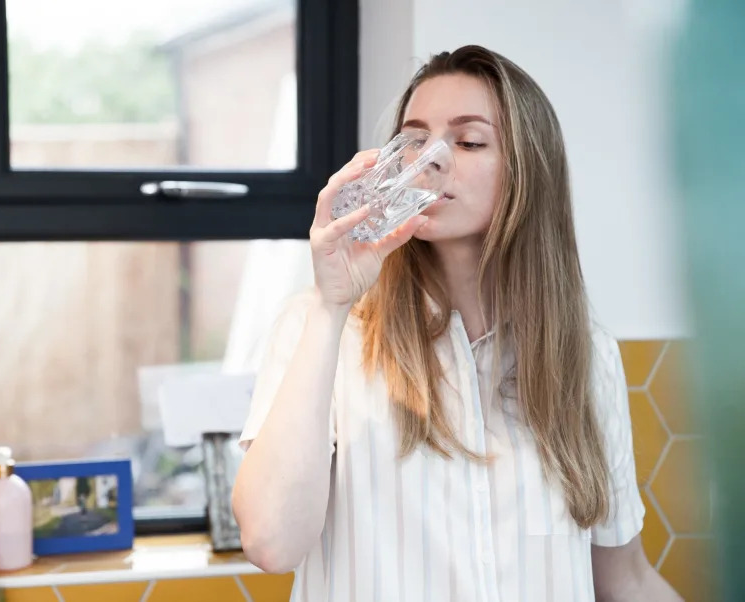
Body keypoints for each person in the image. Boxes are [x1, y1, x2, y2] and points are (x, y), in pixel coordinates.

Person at [231, 45, 683, 602]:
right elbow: (270, 543)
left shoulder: (585, 355)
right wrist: (331, 308)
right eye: (415, 140)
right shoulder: (323, 326)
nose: (434, 158)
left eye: (468, 141)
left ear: (529, 172)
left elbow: (625, 580)